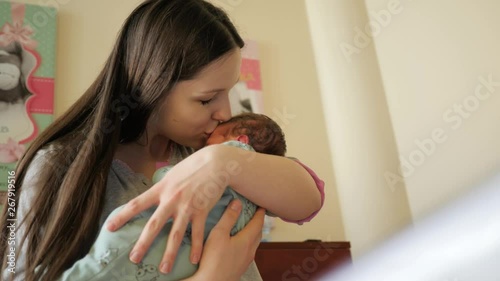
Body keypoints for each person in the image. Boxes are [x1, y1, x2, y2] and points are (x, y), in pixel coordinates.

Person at [0, 1, 324, 281]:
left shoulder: (206, 150)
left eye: (229, 92)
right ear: (150, 86)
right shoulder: (56, 165)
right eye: (206, 99)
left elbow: (308, 198)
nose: (224, 112)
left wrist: (221, 161)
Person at [59, 112, 289, 280]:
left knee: (111, 256)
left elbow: (168, 180)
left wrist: (166, 173)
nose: (206, 145)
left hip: (166, 245)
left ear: (240, 142)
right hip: (189, 261)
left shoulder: (229, 158)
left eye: (216, 136)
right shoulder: (258, 191)